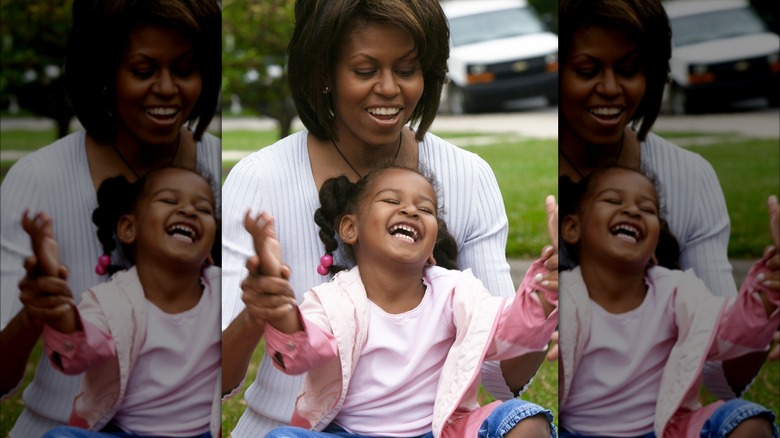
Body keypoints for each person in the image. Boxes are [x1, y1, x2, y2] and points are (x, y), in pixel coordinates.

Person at [220, 0, 558, 435]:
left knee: (525, 421)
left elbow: (502, 375)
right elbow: (215, 380)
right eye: (364, 71)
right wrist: (257, 313)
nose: (389, 89)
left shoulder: (468, 177)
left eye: (407, 69)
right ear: (324, 72)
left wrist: (543, 298)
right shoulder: (260, 180)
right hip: (298, 429)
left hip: (435, 428)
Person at [0, 1, 222, 436]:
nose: (167, 88)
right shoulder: (40, 179)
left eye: (185, 68)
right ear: (103, 72)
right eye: (143, 70)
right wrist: (34, 314)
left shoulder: (220, 168)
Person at [555, 0, 780, 397]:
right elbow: (503, 368)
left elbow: (721, 372)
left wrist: (763, 302)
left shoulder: (690, 178)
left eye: (629, 70)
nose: (610, 88)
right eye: (587, 71)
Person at [253, 165, 559, 437]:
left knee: (524, 419)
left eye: (425, 209)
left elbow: (511, 330)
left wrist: (549, 285)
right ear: (350, 228)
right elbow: (300, 352)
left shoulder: (456, 292)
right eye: (391, 200)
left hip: (442, 431)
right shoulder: (331, 301)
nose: (411, 211)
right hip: (350, 433)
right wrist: (279, 302)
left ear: (431, 246)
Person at [557, 166, 779, 437]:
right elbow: (525, 331)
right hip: (578, 433)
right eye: (614, 200)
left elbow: (734, 328)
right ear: (571, 228)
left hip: (667, 431)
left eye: (647, 209)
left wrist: (771, 284)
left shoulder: (677, 294)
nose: (632, 210)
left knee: (748, 423)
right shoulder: (564, 296)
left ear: (654, 243)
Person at [20, 167, 220, 438]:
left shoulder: (221, 290)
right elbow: (76, 350)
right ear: (128, 228)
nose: (188, 211)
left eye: (204, 209)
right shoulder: (109, 301)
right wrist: (56, 299)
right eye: (169, 201)